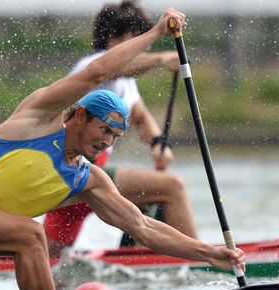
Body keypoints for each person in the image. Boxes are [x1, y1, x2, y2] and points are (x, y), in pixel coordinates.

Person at [0, 8, 246, 290]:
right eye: (103, 130)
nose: (107, 140)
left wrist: (208, 252)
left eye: (115, 137)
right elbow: (98, 72)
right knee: (30, 234)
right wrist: (154, 32)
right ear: (80, 116)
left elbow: (144, 228)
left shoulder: (88, 178)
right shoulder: (38, 118)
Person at [44, 1, 196, 257]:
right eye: (139, 38)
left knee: (48, 261)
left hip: (85, 178)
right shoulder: (92, 65)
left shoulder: (126, 84)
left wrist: (159, 144)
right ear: (114, 39)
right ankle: (197, 259)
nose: (146, 46)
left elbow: (140, 118)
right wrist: (160, 59)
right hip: (74, 173)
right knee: (172, 187)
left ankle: (143, 259)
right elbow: (116, 66)